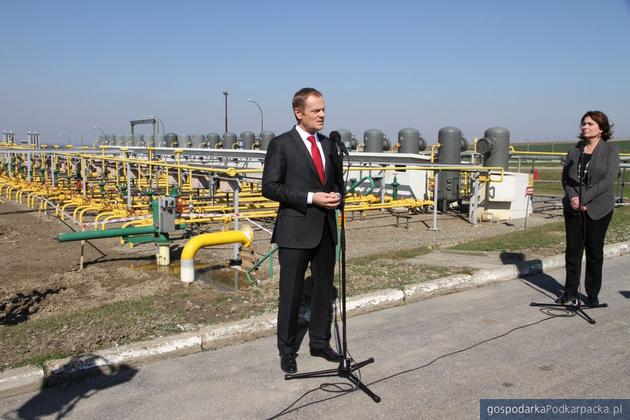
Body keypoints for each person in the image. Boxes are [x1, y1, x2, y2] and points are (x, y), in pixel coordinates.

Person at [262, 87, 343, 373]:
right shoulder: (281, 144)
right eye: (316, 110)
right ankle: (287, 349)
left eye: (323, 110)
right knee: (292, 293)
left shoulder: (329, 144)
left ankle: (320, 343)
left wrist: (336, 196)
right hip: (295, 231)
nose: (322, 115)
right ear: (298, 112)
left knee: (323, 291)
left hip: (325, 229)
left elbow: (333, 183)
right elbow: (270, 187)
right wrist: (311, 197)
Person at [557, 110, 619, 307]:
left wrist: (586, 198)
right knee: (573, 251)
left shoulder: (610, 150)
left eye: (590, 124)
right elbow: (566, 178)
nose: (585, 127)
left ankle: (592, 294)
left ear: (601, 129)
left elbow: (609, 179)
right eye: (583, 123)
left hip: (599, 208)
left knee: (594, 252)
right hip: (574, 207)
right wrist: (574, 197)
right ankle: (570, 292)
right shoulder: (575, 151)